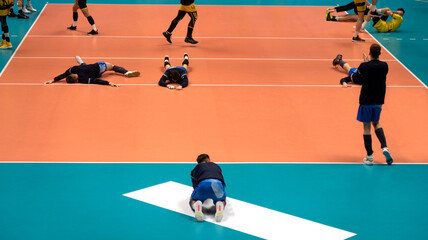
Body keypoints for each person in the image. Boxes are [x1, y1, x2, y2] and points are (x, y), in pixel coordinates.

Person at [336, 44, 393, 165]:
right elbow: (375, 73)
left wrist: (365, 64)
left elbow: (356, 78)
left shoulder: (364, 66)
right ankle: (385, 147)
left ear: (370, 53)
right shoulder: (385, 66)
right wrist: (367, 64)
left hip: (366, 100)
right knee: (376, 123)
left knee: (367, 128)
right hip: (378, 100)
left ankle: (370, 157)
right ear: (380, 53)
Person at [44, 56, 140, 87]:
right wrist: (53, 79)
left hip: (95, 73)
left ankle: (82, 62)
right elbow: (64, 75)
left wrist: (109, 83)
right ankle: (127, 72)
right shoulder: (74, 69)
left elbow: (96, 81)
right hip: (99, 66)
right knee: (113, 67)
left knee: (84, 66)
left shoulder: (83, 79)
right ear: (74, 75)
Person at [190, 154, 226, 222]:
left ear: (198, 163)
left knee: (193, 199)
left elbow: (195, 185)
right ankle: (220, 204)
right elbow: (221, 180)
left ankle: (197, 206)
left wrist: (195, 192)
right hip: (218, 185)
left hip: (203, 185)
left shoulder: (196, 168)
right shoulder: (217, 166)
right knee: (222, 200)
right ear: (209, 159)